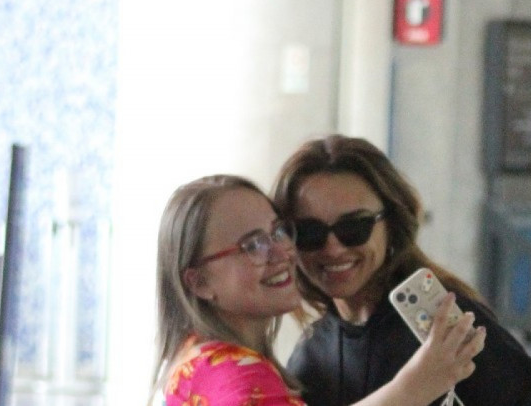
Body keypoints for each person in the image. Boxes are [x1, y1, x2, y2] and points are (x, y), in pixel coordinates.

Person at [272, 135, 531, 406]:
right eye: (309, 232)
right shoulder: (311, 356)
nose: (333, 247)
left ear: (391, 224)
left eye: (355, 227)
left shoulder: (442, 326)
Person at [153, 174, 486, 406]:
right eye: (252, 245)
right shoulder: (235, 377)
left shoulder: (193, 359)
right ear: (199, 282)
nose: (282, 252)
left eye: (280, 232)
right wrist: (412, 388)